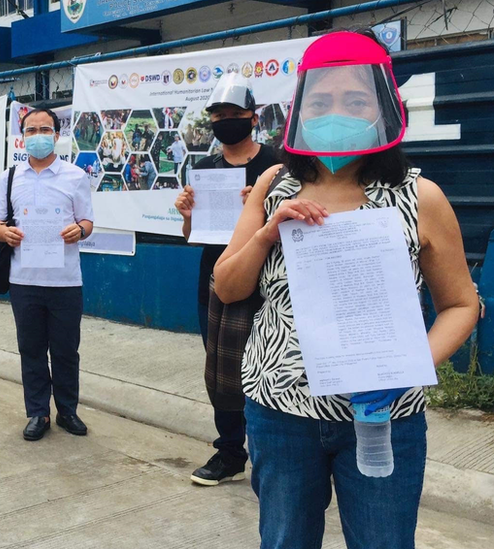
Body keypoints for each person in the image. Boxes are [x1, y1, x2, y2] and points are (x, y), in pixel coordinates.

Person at [214, 31, 478, 548]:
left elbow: (461, 304)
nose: (337, 112)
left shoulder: (421, 196)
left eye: (356, 100)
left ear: (383, 106)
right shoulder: (273, 186)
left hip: (384, 417)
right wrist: (270, 233)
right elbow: (227, 286)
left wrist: (407, 367)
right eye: (322, 100)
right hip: (280, 413)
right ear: (300, 108)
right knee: (285, 540)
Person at [174, 72, 278, 486]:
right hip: (216, 283)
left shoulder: (276, 165)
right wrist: (186, 217)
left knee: (268, 369)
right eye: (218, 114)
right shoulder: (205, 169)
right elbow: (192, 237)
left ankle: (274, 457)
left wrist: (261, 205)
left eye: (234, 114)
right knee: (221, 373)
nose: (225, 121)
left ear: (253, 118)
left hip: (267, 286)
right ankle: (231, 452)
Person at [0, 108, 94, 441]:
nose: (38, 135)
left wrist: (79, 230)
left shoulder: (75, 176)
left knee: (65, 350)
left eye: (44, 129)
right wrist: (3, 234)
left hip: (64, 280)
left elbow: (88, 222)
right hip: (23, 280)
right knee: (31, 349)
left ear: (57, 135)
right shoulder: (9, 178)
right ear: (22, 137)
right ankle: (38, 413)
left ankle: (67, 411)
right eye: (31, 130)